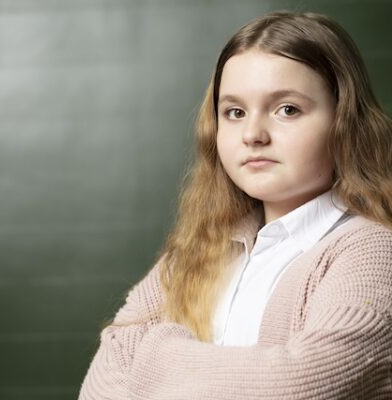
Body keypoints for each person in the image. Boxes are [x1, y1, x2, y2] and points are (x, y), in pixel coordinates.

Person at [78, 10, 392, 399]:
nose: (253, 134)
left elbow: (298, 386)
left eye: (287, 109)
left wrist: (153, 353)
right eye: (235, 112)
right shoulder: (197, 250)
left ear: (345, 121)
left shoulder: (374, 251)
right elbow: (100, 387)